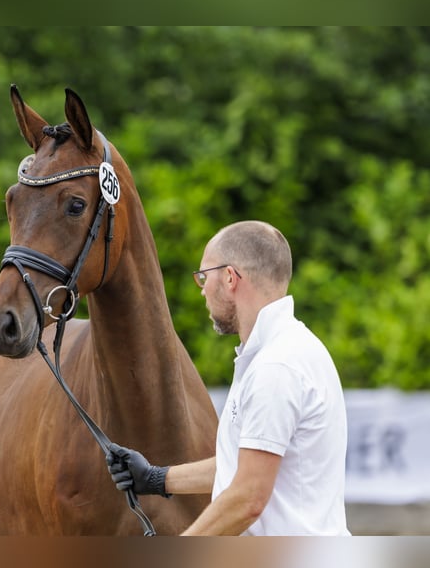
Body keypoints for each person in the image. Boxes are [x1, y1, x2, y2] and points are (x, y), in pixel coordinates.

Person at [107, 220, 350, 536]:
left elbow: (248, 498)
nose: (203, 290)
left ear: (230, 278)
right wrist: (156, 478)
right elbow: (241, 466)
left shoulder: (275, 368)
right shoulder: (284, 351)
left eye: (203, 277)